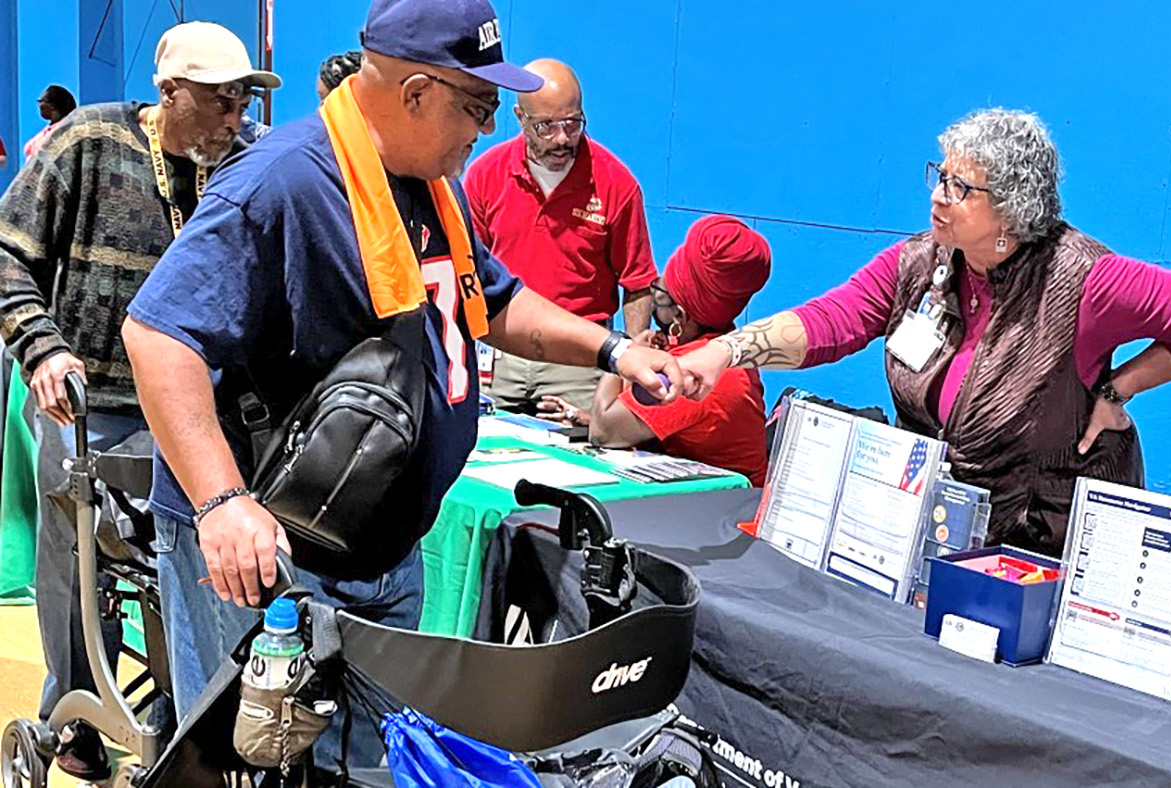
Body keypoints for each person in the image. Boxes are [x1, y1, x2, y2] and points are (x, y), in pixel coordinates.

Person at [121, 0, 684, 765]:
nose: (484, 130)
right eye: (478, 106)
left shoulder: (426, 184)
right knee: (252, 762)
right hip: (267, 551)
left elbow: (497, 303)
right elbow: (159, 334)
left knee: (369, 762)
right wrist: (222, 502)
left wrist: (616, 351)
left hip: (379, 542)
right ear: (416, 92)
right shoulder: (282, 183)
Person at [680, 109, 1171, 554]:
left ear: (1011, 210)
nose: (937, 195)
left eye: (959, 187)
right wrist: (727, 352)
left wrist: (1119, 389)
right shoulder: (923, 262)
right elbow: (834, 319)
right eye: (939, 176)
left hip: (1047, 548)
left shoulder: (1085, 279)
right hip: (939, 531)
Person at [0, 22, 279, 780]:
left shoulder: (250, 162)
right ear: (169, 94)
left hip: (207, 415)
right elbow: (6, 253)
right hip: (94, 405)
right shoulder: (85, 142)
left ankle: (201, 707)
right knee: (74, 519)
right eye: (219, 102)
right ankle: (72, 705)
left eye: (243, 99)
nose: (235, 117)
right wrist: (42, 347)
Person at [466, 58, 656, 420]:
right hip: (501, 351)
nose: (562, 139)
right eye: (546, 127)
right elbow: (467, 271)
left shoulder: (615, 183)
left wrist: (631, 369)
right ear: (521, 118)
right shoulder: (485, 175)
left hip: (579, 359)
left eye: (573, 124)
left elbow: (638, 283)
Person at [589, 216, 771, 486]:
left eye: (660, 297)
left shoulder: (700, 371)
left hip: (724, 515)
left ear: (679, 317)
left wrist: (625, 351)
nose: (654, 307)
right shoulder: (723, 348)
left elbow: (604, 431)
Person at [22, 85, 77, 159]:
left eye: (42, 101)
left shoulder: (66, 130)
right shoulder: (46, 131)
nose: (40, 105)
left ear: (52, 105)